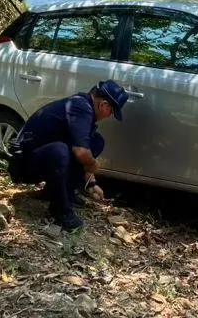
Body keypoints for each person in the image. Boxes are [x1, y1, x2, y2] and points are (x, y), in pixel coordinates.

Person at [7, 80, 128, 232]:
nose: (109, 116)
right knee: (60, 150)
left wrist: (91, 184)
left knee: (96, 141)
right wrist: (93, 165)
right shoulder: (82, 108)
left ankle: (59, 192)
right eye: (111, 112)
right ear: (103, 105)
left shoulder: (83, 107)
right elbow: (81, 152)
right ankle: (61, 210)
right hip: (25, 165)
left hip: (41, 158)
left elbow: (82, 147)